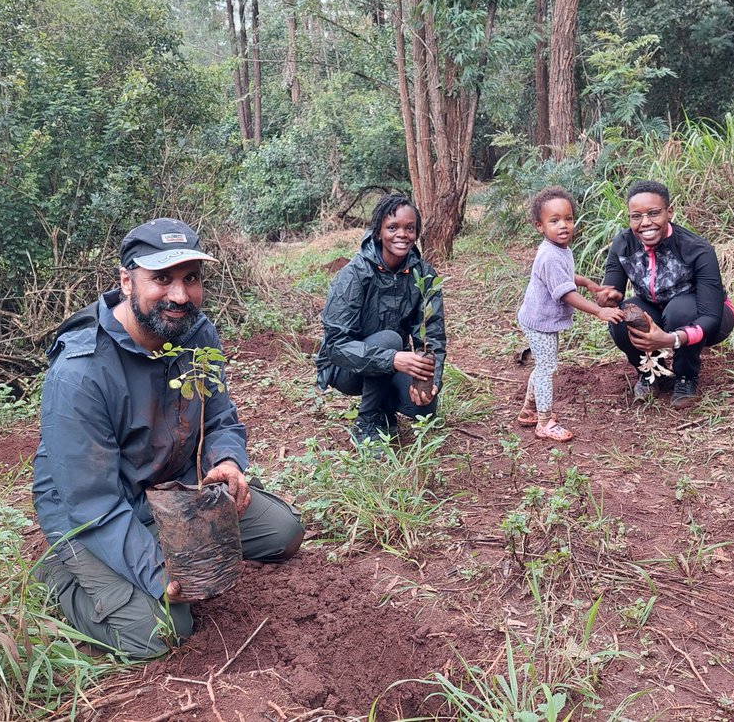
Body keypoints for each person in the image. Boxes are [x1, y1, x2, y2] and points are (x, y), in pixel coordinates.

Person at [32, 218, 304, 659]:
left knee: (283, 533)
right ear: (127, 281)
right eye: (162, 278)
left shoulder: (195, 334)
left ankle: (153, 544)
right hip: (93, 512)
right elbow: (91, 503)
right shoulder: (80, 372)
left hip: (168, 494)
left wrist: (227, 461)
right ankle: (60, 574)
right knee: (164, 630)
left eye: (190, 279)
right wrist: (162, 574)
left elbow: (220, 418)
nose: (180, 295)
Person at [315, 194, 445, 448]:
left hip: (392, 360)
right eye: (392, 227)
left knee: (424, 407)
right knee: (390, 340)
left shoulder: (424, 275)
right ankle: (367, 421)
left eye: (410, 228)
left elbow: (432, 336)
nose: (402, 234)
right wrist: (393, 358)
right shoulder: (354, 274)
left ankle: (385, 410)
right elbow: (335, 346)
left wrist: (431, 379)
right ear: (378, 232)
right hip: (344, 369)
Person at [597, 180, 734, 407]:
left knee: (679, 311)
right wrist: (608, 298)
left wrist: (670, 339)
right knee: (622, 316)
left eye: (653, 213)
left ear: (669, 212)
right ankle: (652, 372)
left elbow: (711, 316)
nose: (645, 223)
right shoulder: (622, 244)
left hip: (709, 316)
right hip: (657, 310)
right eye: (636, 216)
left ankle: (686, 376)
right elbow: (613, 290)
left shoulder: (696, 249)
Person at [516, 186, 623, 442]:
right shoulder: (550, 256)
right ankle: (544, 422)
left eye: (568, 219)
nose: (563, 225)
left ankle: (528, 411)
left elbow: (567, 275)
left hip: (541, 320)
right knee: (547, 369)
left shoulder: (560, 249)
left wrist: (586, 282)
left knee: (544, 366)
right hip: (540, 322)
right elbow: (565, 293)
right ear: (539, 226)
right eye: (554, 221)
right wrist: (599, 310)